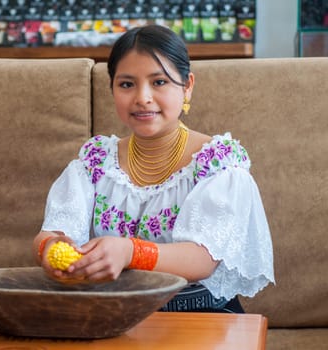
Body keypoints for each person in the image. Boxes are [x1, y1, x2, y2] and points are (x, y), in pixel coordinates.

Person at [32, 25, 274, 313]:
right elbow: (54, 230)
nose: (142, 97)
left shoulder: (217, 163)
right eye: (126, 84)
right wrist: (50, 247)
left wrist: (130, 252)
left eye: (159, 82)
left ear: (187, 87)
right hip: (114, 313)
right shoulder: (95, 162)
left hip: (200, 316)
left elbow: (202, 259)